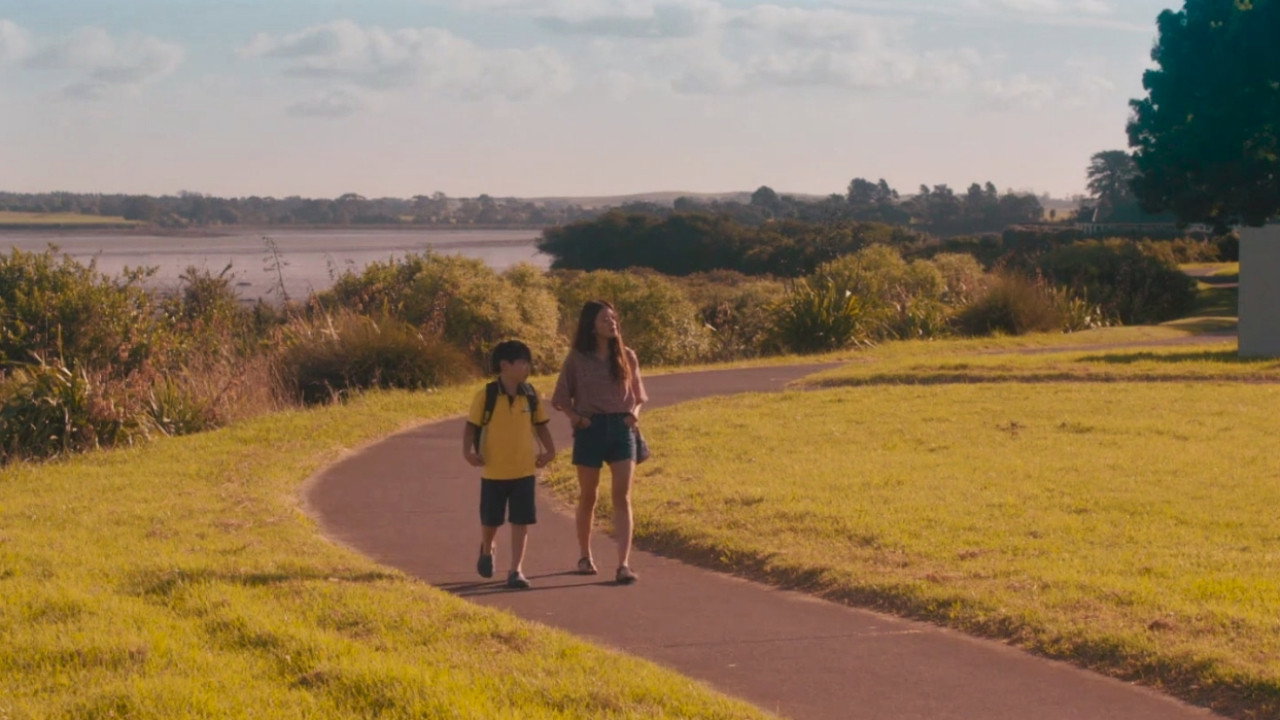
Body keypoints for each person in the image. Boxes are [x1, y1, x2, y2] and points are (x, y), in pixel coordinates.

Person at [552, 300, 648, 585]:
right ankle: (585, 556)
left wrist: (634, 414)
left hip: (622, 429)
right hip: (590, 429)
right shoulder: (577, 358)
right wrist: (576, 419)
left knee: (622, 496)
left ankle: (623, 564)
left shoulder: (627, 356)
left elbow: (639, 395)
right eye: (605, 319)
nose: (612, 323)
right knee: (588, 495)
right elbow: (560, 398)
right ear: (591, 326)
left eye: (613, 318)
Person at [463, 340, 556, 590]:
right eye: (522, 363)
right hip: (493, 471)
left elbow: (541, 426)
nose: (527, 367)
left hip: (524, 470)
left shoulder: (530, 394)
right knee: (491, 521)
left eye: (528, 363)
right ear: (505, 365)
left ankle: (516, 570)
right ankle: (487, 548)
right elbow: (471, 427)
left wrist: (550, 450)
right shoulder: (487, 395)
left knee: (521, 520)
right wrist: (467, 452)